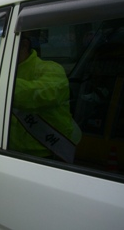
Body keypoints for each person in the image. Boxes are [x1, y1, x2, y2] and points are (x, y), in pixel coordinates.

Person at [9, 33, 81, 163]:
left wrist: (2, 84)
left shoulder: (51, 69)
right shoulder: (8, 71)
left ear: (24, 45)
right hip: (14, 154)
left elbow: (38, 96)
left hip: (49, 154)